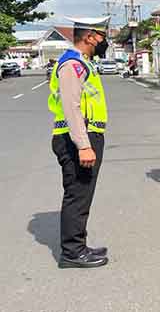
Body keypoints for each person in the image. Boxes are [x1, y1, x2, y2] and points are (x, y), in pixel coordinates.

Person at [48, 16, 111, 268]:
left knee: (82, 194)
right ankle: (72, 252)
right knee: (77, 195)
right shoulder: (71, 64)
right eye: (102, 35)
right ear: (90, 37)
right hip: (77, 140)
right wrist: (83, 145)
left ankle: (79, 245)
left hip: (84, 136)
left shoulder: (82, 63)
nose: (104, 40)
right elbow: (71, 107)